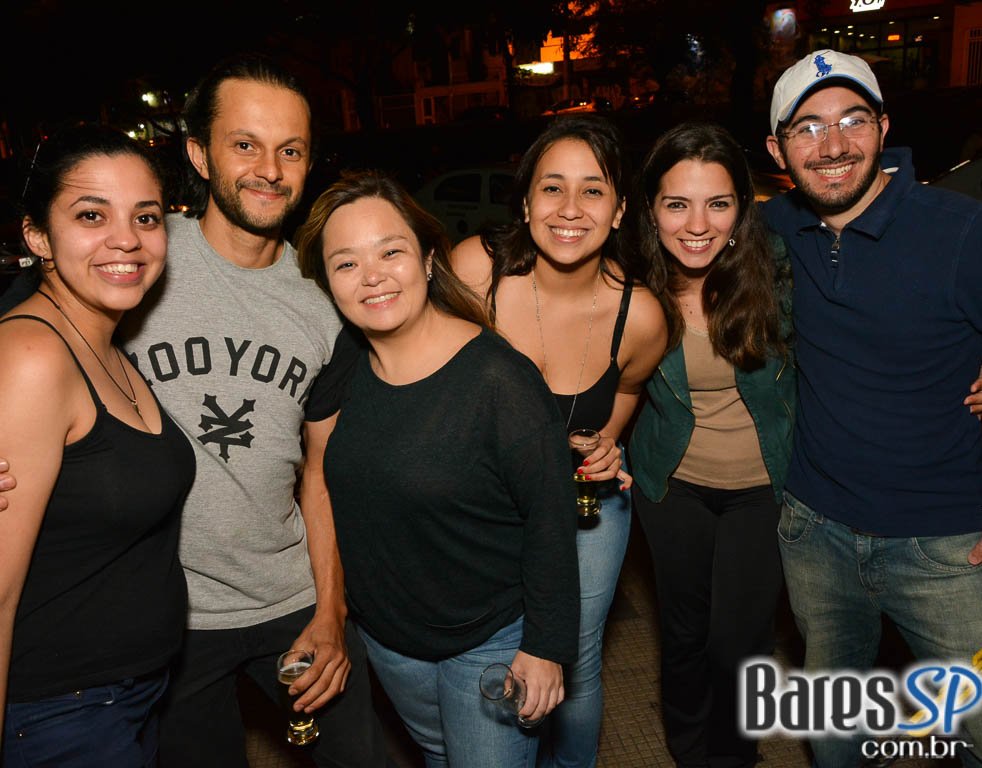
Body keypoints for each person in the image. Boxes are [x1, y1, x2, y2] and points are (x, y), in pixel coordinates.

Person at [115, 56, 387, 767]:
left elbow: (320, 471)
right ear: (199, 154)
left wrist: (331, 612)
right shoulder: (134, 259)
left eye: (290, 150)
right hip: (168, 622)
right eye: (246, 144)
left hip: (290, 604)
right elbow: (31, 342)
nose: (270, 168)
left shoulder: (324, 295)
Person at [295, 170, 581, 768]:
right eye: (346, 264)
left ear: (427, 260)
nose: (372, 276)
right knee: (437, 756)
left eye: (390, 252)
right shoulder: (343, 367)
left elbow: (551, 521)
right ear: (327, 284)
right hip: (390, 643)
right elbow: (319, 475)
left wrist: (547, 647)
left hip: (490, 640)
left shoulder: (500, 382)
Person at [763, 49, 982, 767]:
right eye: (807, 128)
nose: (831, 146)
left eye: (851, 120)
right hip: (814, 533)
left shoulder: (966, 232)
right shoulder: (776, 228)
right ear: (777, 150)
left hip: (946, 547)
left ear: (883, 126)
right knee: (835, 734)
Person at [450, 115, 668, 768]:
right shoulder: (475, 272)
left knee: (573, 655)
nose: (571, 209)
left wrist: (607, 439)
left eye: (593, 190)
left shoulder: (641, 313)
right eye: (552, 188)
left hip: (586, 508)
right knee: (493, 647)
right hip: (485, 503)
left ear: (621, 208)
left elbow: (626, 389)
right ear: (524, 200)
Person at [0, 125, 195, 765]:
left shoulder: (105, 340)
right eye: (91, 215)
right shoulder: (32, 357)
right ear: (36, 236)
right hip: (58, 715)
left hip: (129, 699)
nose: (126, 239)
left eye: (146, 216)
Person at [626, 122, 794, 768]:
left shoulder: (779, 273)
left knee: (738, 642)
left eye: (718, 203)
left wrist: (960, 375)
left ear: (742, 208)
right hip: (671, 487)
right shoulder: (632, 284)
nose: (698, 224)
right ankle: (689, 749)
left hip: (762, 488)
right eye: (677, 204)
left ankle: (732, 755)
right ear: (652, 210)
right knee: (684, 633)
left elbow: (864, 336)